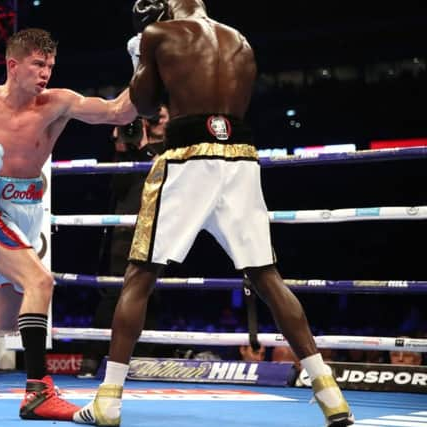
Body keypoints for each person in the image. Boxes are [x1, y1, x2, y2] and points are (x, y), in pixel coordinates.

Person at [74, 1, 354, 426]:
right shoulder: (239, 40)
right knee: (266, 276)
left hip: (187, 159)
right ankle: (330, 393)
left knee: (139, 275)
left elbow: (146, 106)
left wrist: (139, 54)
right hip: (241, 160)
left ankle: (108, 401)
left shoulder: (159, 35)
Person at [0, 28, 137, 421]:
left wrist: (143, 65)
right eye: (38, 64)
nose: (45, 73)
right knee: (41, 282)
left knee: (6, 320)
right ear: (13, 65)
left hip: (27, 209)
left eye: (50, 65)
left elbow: (120, 111)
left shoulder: (58, 103)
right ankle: (38, 391)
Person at [78, 107, 168, 377]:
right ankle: (91, 359)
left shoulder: (173, 148)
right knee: (115, 292)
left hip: (161, 228)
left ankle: (144, 360)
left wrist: (144, 148)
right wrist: (123, 144)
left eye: (159, 117)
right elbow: (117, 188)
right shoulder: (128, 148)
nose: (154, 123)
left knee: (153, 293)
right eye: (151, 118)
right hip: (126, 230)